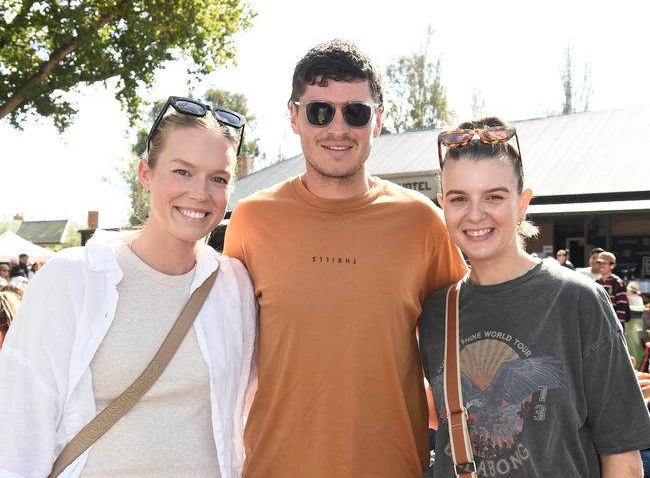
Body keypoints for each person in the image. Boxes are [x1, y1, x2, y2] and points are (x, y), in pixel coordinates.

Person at [224, 39, 467, 477]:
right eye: (320, 111)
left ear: (378, 122)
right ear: (294, 117)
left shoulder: (422, 222)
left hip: (393, 467)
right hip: (272, 467)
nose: (338, 127)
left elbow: (470, 340)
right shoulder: (251, 219)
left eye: (356, 112)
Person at [0, 96, 256, 477]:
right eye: (182, 171)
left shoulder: (235, 285)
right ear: (145, 173)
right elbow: (19, 429)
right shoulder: (72, 279)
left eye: (218, 178)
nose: (200, 193)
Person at [419, 117, 650, 477]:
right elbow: (439, 418)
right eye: (459, 198)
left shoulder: (578, 300)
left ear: (523, 203)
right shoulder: (436, 311)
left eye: (494, 196)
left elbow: (622, 457)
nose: (475, 214)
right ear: (442, 206)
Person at [595, 251, 629, 327]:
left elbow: (622, 307)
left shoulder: (617, 282)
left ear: (612, 265)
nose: (601, 266)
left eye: (604, 263)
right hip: (600, 325)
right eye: (599, 263)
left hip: (614, 325)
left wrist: (618, 327)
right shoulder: (596, 282)